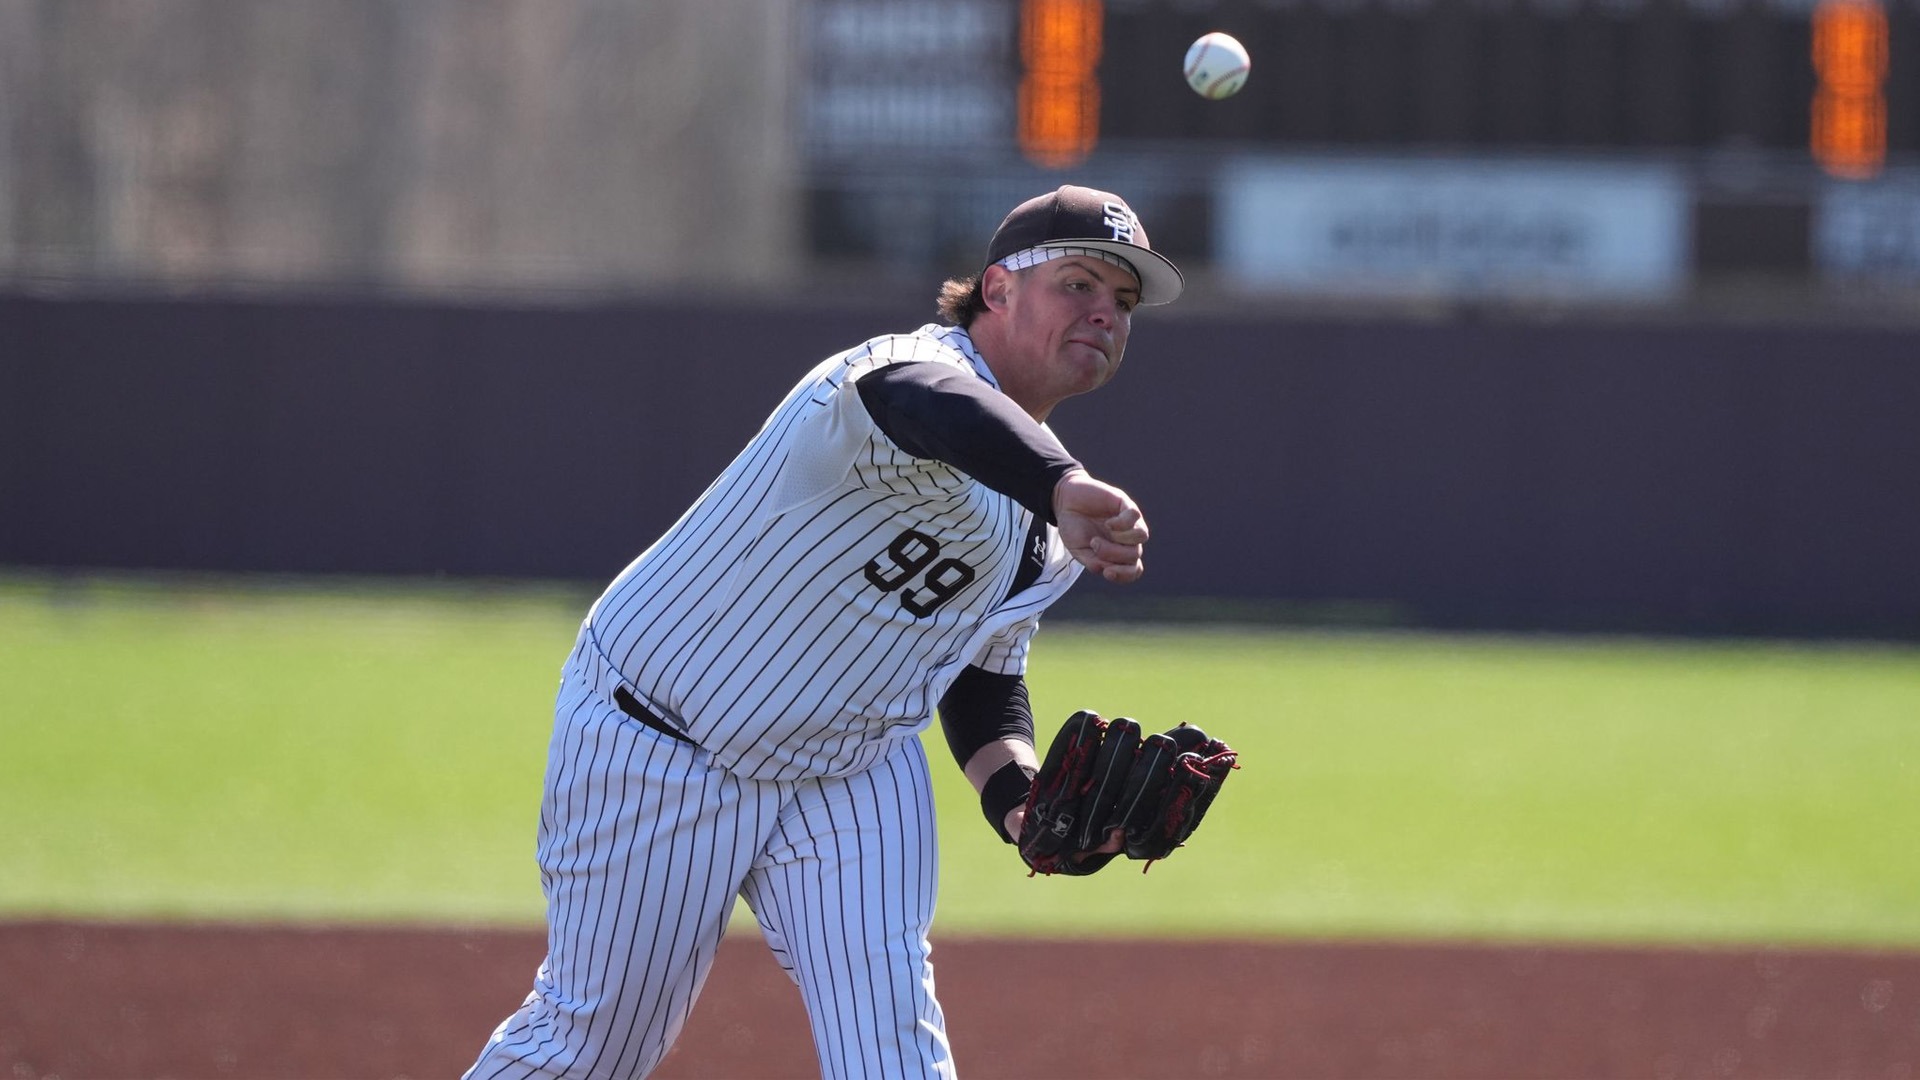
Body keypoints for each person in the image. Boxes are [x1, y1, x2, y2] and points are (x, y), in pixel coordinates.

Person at [466, 184, 1184, 1079]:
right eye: (1079, 282)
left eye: (1123, 303)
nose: (1105, 314)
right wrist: (1060, 481)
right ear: (998, 289)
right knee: (588, 1050)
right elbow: (922, 403)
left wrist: (1023, 804)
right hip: (658, 738)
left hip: (847, 767)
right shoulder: (897, 373)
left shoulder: (1049, 532)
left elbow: (979, 681)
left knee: (894, 1056)